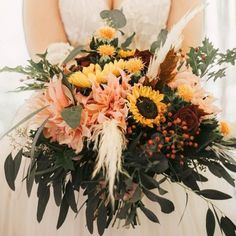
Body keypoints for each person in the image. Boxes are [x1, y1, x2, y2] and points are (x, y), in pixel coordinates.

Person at [0, 0, 235, 235]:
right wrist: (92, 103)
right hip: (68, 119)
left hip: (156, 128)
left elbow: (183, 60)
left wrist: (134, 106)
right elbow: (48, 58)